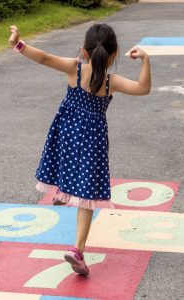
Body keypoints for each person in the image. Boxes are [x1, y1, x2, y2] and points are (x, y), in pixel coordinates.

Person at [8, 23, 151, 276]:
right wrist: (145, 61)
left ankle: (62, 193)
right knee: (86, 196)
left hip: (67, 132)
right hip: (93, 140)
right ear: (114, 54)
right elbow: (143, 88)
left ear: (84, 52)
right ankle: (78, 249)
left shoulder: (74, 68)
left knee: (66, 161)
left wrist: (18, 44)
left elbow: (42, 57)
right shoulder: (111, 81)